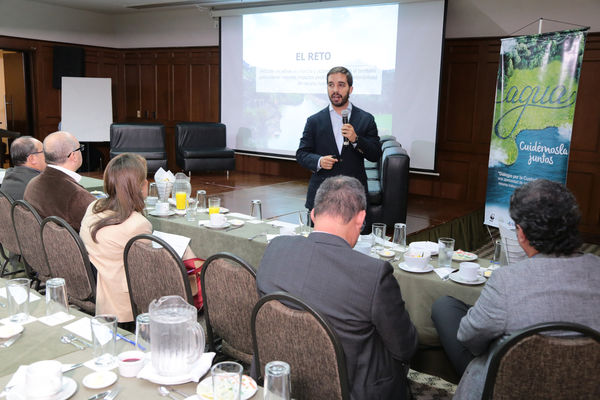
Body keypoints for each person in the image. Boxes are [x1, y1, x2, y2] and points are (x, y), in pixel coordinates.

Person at [431, 179, 600, 400]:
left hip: (504, 389)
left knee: (447, 309)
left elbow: (468, 338)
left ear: (520, 233)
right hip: (583, 388)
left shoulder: (506, 281)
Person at [257, 175, 418, 400]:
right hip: (351, 390)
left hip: (285, 373)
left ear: (313, 214)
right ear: (361, 219)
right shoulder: (374, 274)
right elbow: (405, 348)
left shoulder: (276, 248)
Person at [80, 153, 199, 328]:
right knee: (191, 269)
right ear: (140, 187)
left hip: (101, 289)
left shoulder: (94, 207)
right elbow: (147, 268)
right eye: (145, 180)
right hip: (126, 304)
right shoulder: (136, 223)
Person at [296, 66, 381, 213]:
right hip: (322, 196)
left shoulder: (366, 119)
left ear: (350, 89)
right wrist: (319, 161)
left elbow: (375, 154)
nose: (335, 90)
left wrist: (356, 139)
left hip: (354, 196)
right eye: (331, 85)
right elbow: (302, 154)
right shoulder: (314, 121)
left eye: (341, 85)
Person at [24, 131, 94, 231]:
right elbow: (100, 228)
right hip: (73, 246)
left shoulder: (32, 184)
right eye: (80, 148)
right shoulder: (76, 195)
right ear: (73, 156)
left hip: (45, 244)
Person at [1, 136, 46, 200]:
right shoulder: (40, 185)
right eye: (44, 152)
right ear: (32, 158)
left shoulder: (8, 176)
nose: (47, 155)